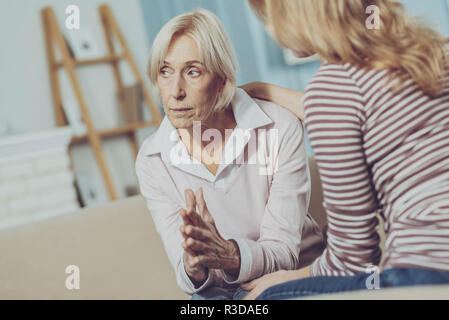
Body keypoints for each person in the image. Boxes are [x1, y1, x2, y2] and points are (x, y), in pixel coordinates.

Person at [240, 0, 449, 300]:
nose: (269, 29)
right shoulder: (427, 53)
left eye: (268, 17)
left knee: (264, 299)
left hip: (425, 272)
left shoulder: (332, 89)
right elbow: (357, 108)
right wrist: (262, 90)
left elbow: (354, 260)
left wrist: (290, 278)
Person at [134, 9, 324, 300]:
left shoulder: (279, 127)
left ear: (222, 80)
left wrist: (228, 254)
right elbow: (186, 275)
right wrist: (194, 263)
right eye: (165, 71)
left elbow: (283, 252)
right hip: (220, 291)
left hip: (291, 277)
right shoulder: (151, 159)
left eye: (193, 71)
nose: (175, 92)